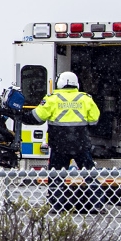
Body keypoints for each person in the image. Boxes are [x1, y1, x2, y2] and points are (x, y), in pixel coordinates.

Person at [35, 70, 99, 209]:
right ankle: (96, 204)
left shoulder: (52, 99)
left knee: (56, 176)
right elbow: (94, 120)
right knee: (90, 175)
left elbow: (37, 117)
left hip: (59, 146)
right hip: (81, 145)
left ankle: (57, 205)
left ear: (59, 82)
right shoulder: (86, 99)